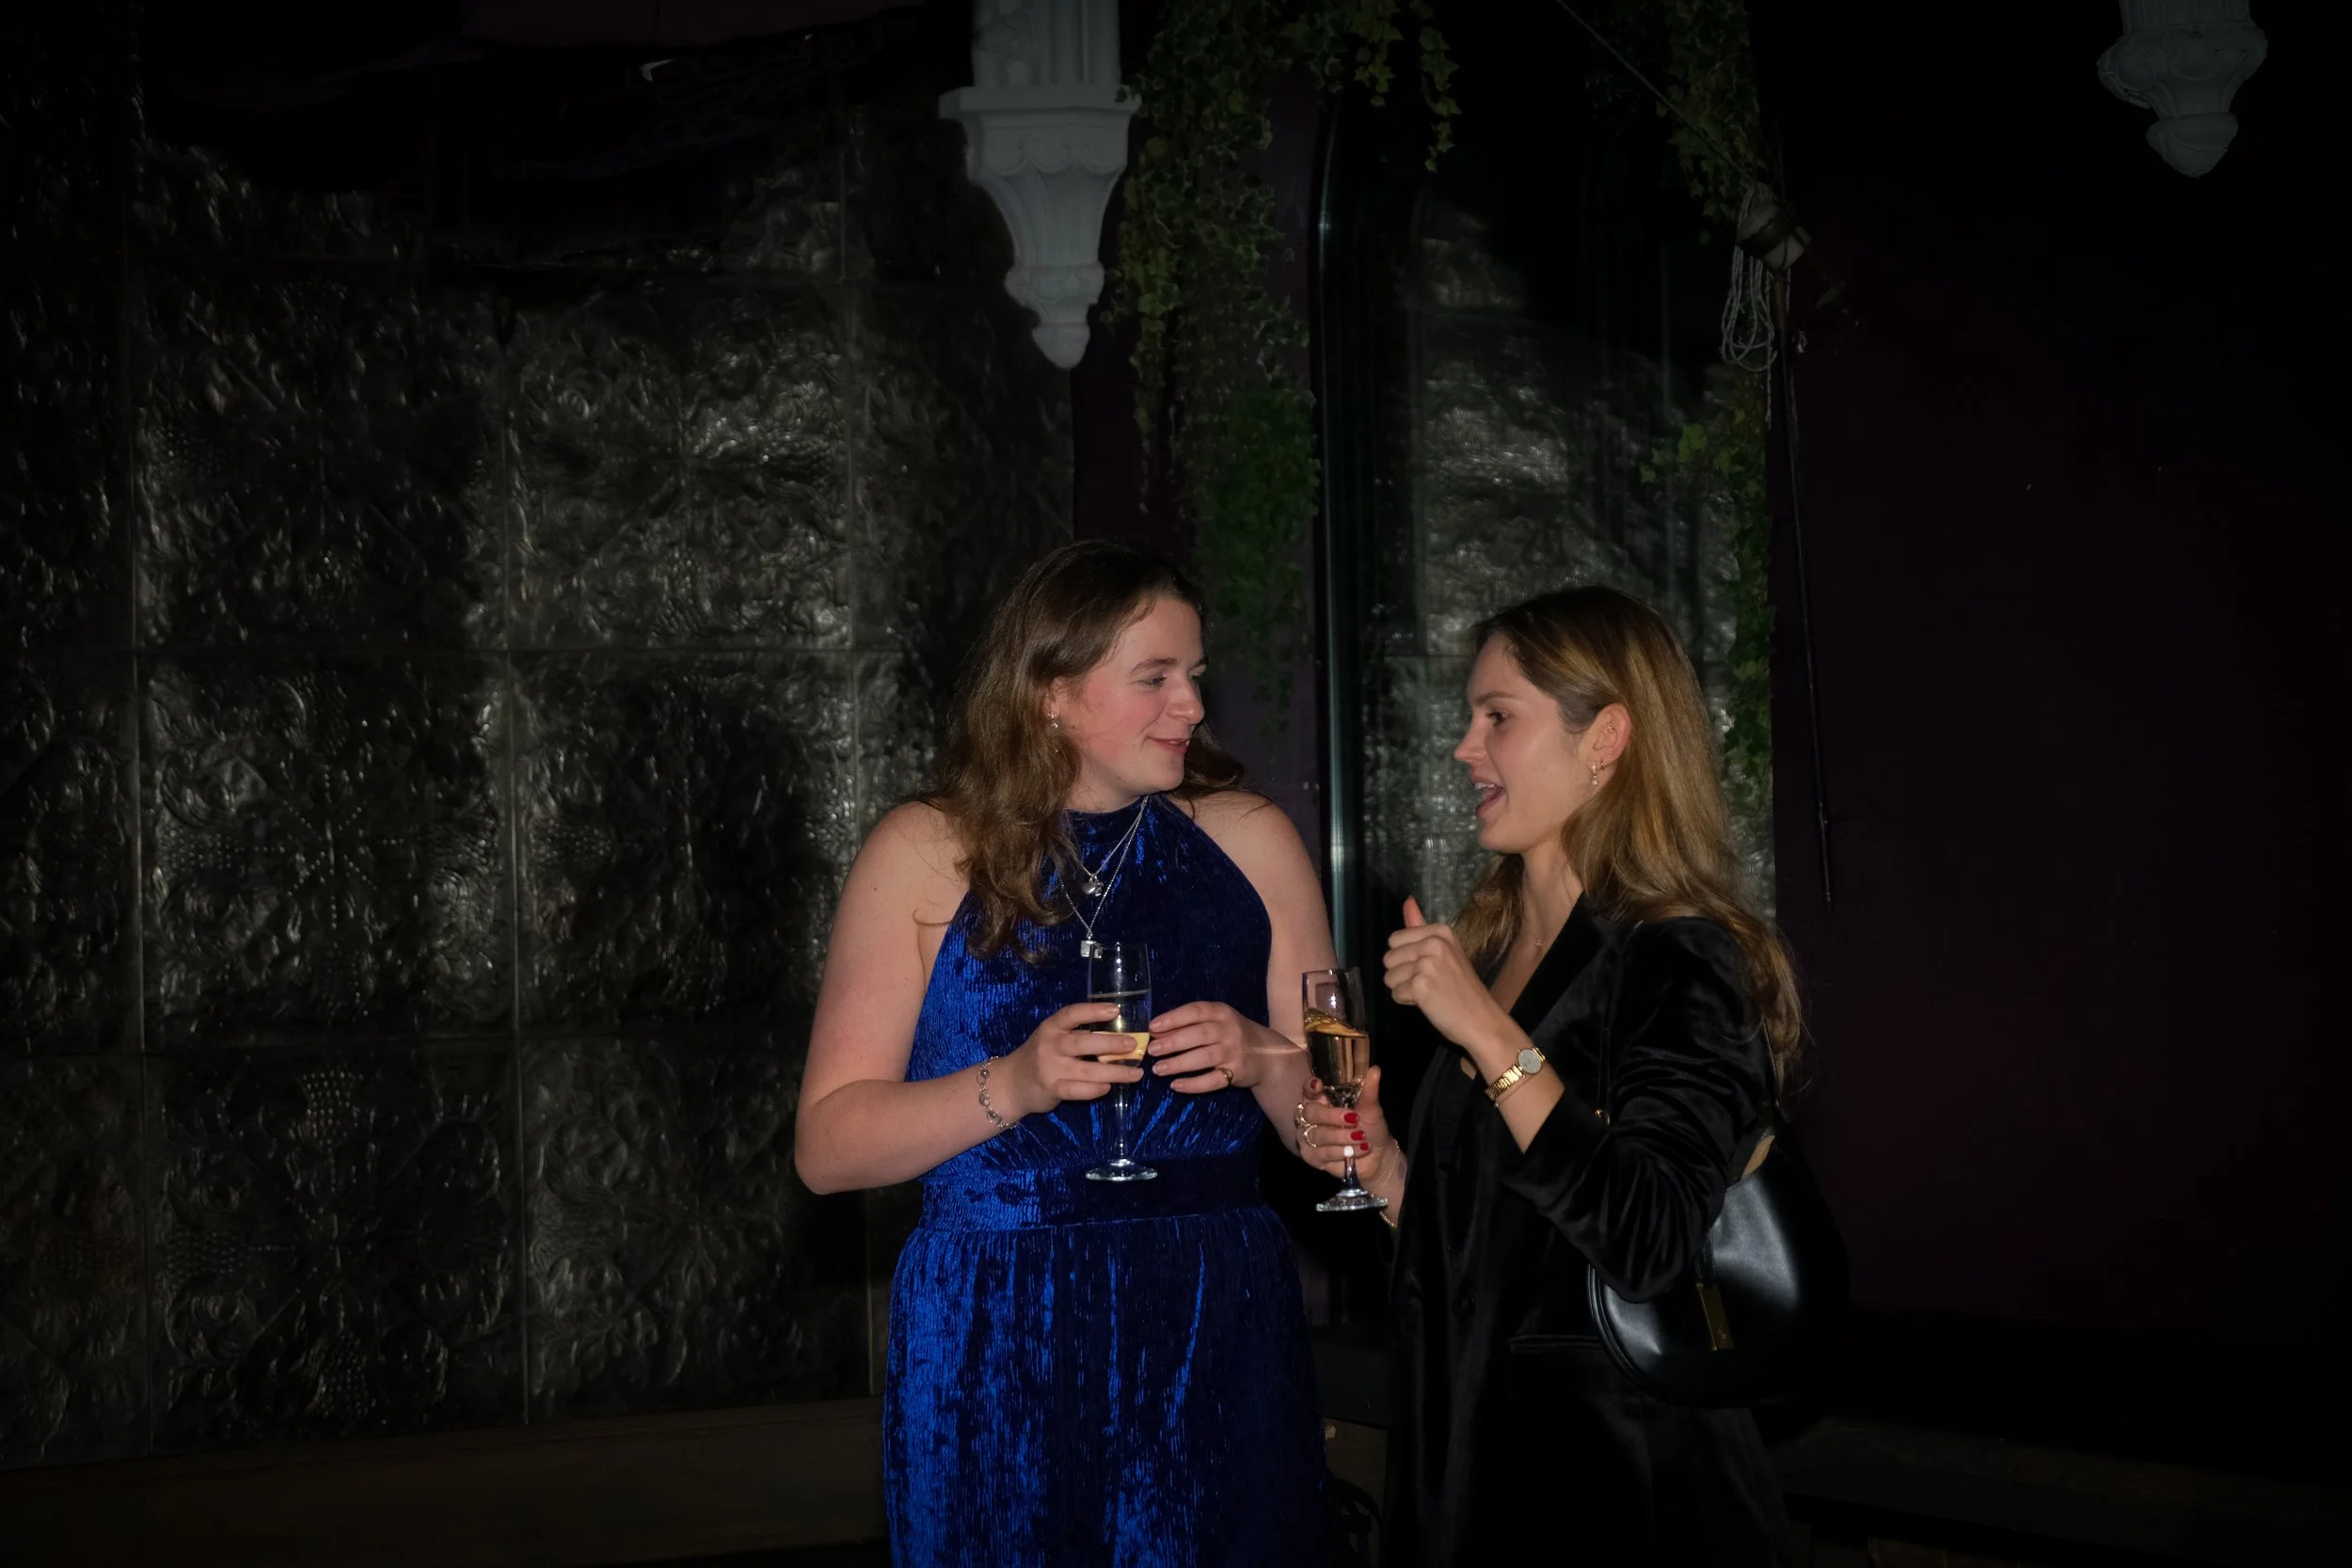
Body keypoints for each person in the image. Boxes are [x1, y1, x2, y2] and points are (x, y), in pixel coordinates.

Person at [796, 541, 1333, 1567]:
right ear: (1050, 692)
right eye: (1154, 677)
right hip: (998, 1327)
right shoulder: (924, 851)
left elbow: (1340, 1141)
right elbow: (827, 1148)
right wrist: (1014, 1082)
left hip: (1212, 1315)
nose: (1191, 705)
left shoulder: (1251, 841)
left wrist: (1267, 1059)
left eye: (1195, 675)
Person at [1297, 585, 1799, 1566]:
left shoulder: (1678, 958)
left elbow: (1649, 1236)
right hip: (1468, 1479)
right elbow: (1491, 1265)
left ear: (1605, 737)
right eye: (1469, 717)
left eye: (1498, 716)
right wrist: (1391, 1173)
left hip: (1616, 1496)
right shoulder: (1493, 955)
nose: (1464, 747)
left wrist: (1488, 1033)